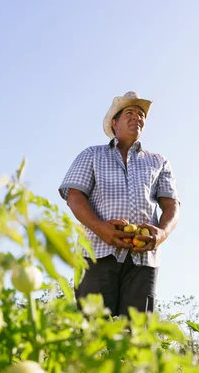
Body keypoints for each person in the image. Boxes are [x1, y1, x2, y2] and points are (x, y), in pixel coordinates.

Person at [58, 91, 179, 317]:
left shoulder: (159, 161)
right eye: (130, 113)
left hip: (144, 259)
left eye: (141, 115)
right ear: (115, 123)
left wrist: (161, 234)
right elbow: (74, 196)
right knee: (93, 329)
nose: (137, 117)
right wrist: (100, 227)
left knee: (136, 335)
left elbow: (172, 205)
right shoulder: (92, 154)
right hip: (96, 252)